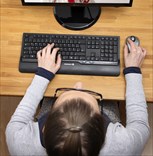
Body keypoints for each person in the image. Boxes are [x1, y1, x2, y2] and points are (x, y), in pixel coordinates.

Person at [5, 39, 150, 156]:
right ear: (105, 132)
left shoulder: (18, 144)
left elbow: (19, 119)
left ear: (44, 127)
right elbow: (140, 124)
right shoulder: (124, 147)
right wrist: (133, 69)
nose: (78, 84)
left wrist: (43, 74)